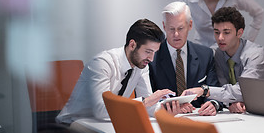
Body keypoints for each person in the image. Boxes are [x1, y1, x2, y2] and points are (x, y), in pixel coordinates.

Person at [56, 19, 187, 124]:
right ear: (132, 45)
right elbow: (100, 110)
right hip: (73, 125)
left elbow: (148, 106)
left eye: (154, 53)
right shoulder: (102, 63)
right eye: (148, 51)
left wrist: (168, 108)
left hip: (105, 125)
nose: (151, 59)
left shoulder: (141, 66)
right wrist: (145, 101)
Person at [183, 7, 264, 113]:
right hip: (239, 112)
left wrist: (205, 90)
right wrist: (231, 102)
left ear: (239, 33)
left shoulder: (255, 55)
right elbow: (222, 86)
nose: (220, 38)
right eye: (217, 32)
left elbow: (244, 91)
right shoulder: (217, 52)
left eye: (226, 32)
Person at [149, 1, 221, 116]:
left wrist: (213, 104)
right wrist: (174, 106)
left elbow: (215, 89)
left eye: (180, 28)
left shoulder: (205, 54)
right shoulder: (152, 57)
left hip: (200, 118)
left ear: (190, 25)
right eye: (171, 29)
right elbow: (148, 98)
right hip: (165, 120)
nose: (176, 34)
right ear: (164, 26)